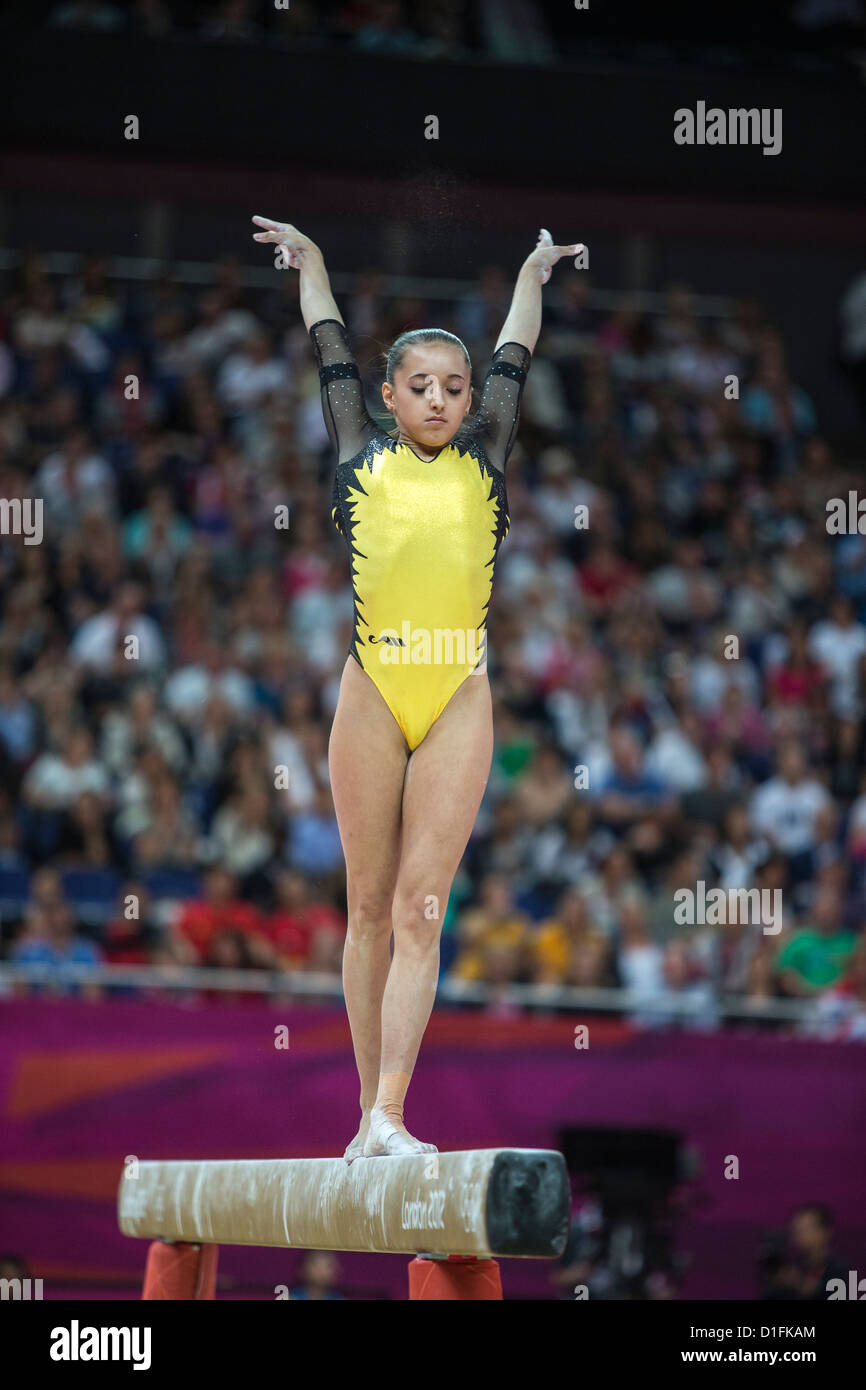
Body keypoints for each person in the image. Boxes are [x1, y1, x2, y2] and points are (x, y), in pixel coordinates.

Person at [252, 214, 581, 1159]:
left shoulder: (487, 458)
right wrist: (311, 265)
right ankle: (365, 1115)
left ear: (473, 399)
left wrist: (531, 270)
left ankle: (391, 1113)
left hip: (457, 699)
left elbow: (519, 342)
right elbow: (328, 352)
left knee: (421, 908)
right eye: (420, 386)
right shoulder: (359, 449)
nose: (439, 399)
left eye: (454, 387)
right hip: (372, 691)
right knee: (364, 909)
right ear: (390, 397)